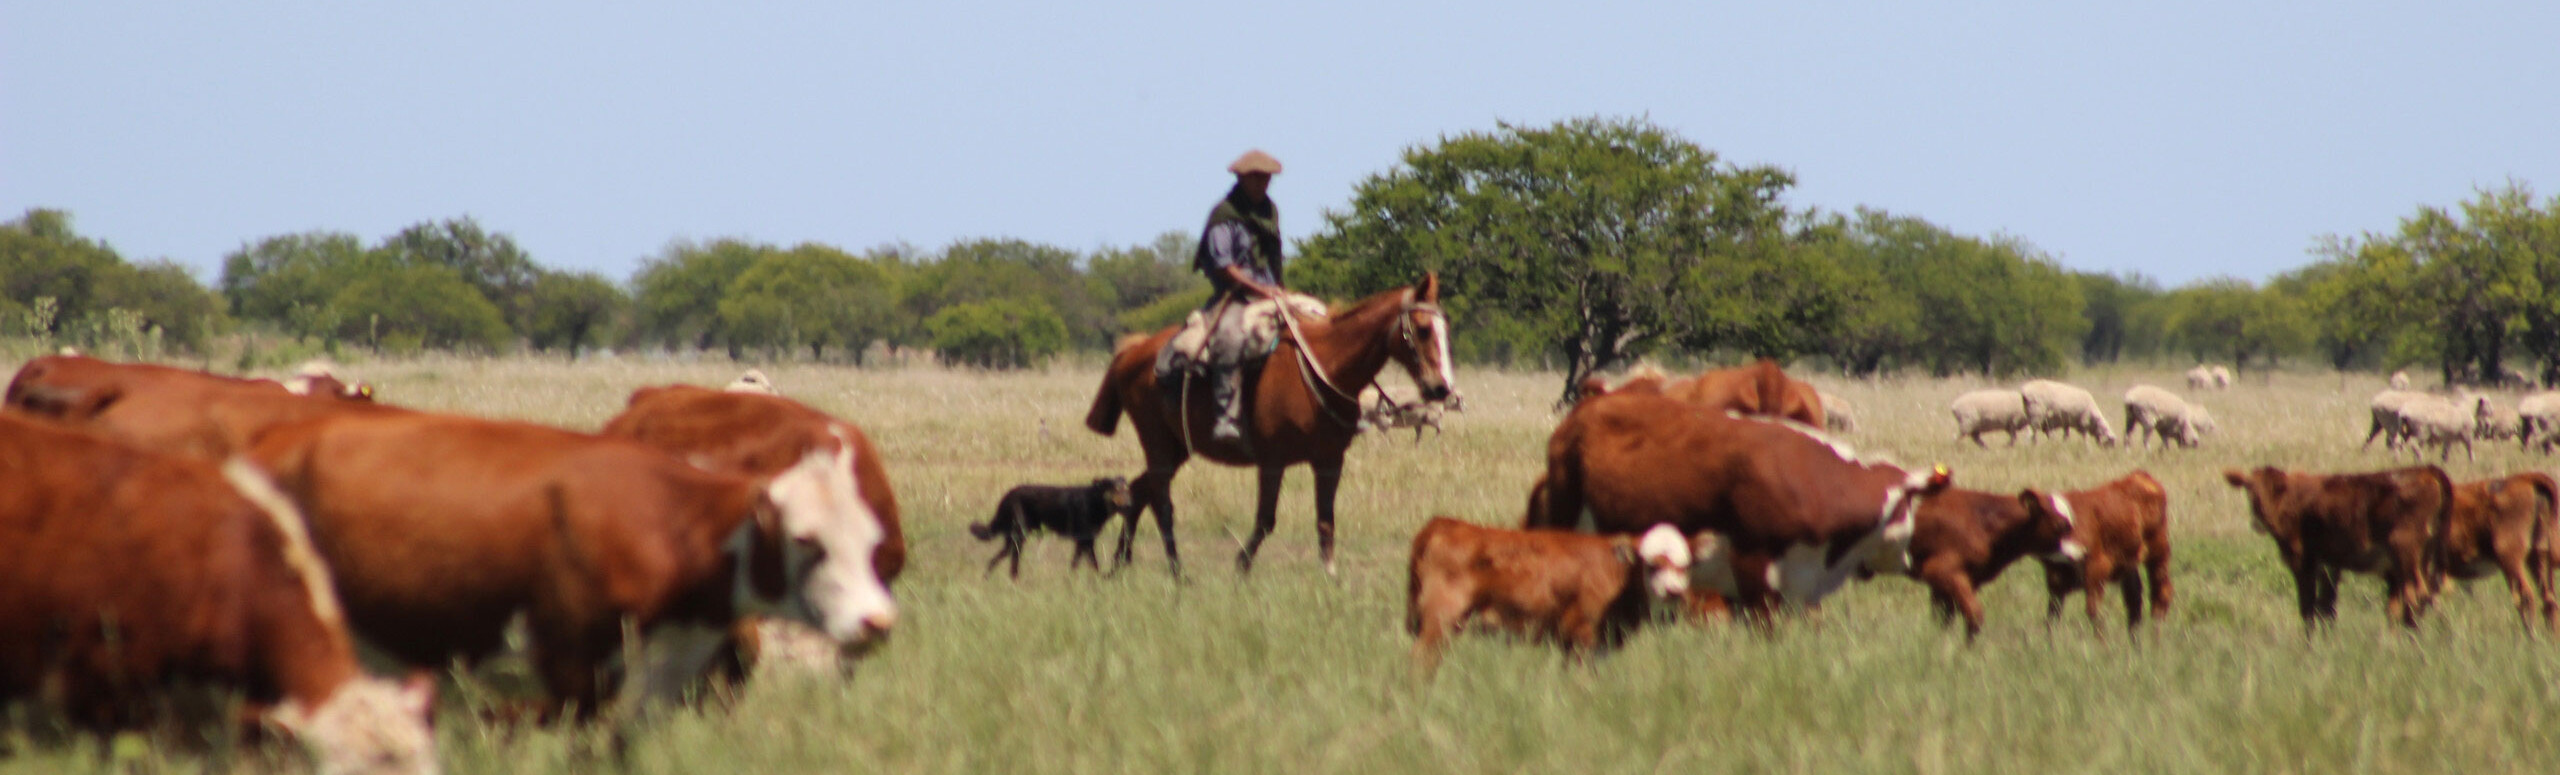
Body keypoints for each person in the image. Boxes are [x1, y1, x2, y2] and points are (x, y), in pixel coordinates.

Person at [1194, 149, 1287, 443]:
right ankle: (1226, 417)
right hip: (1234, 296)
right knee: (1231, 338)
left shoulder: (1269, 211)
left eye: (1267, 178)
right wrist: (1261, 290)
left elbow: (1273, 256)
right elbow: (1224, 267)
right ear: (1241, 179)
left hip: (1271, 292)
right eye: (1256, 178)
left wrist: (1279, 290)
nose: (1263, 184)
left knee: (1318, 324)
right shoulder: (1224, 214)